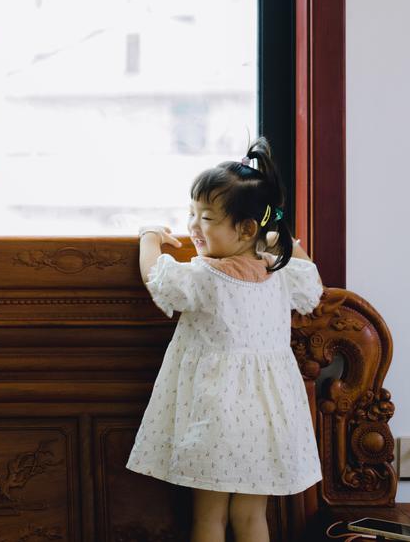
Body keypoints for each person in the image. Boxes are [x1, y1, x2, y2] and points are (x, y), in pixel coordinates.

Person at [127, 137, 324, 542]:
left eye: (206, 218)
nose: (193, 227)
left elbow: (158, 278)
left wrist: (149, 237)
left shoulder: (205, 277)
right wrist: (275, 240)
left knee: (209, 517)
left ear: (247, 228)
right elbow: (311, 281)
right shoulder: (280, 273)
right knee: (252, 517)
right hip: (269, 418)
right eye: (191, 214)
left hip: (214, 414)